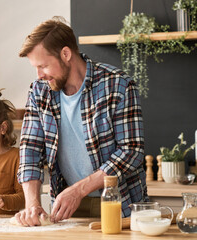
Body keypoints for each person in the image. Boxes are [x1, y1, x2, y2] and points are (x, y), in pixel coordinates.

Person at [15, 16, 148, 226]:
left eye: (43, 66)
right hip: (66, 206)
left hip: (119, 203)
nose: (39, 75)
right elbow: (30, 149)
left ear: (66, 54)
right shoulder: (39, 91)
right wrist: (32, 203)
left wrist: (79, 189)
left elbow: (131, 151)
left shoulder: (118, 85)